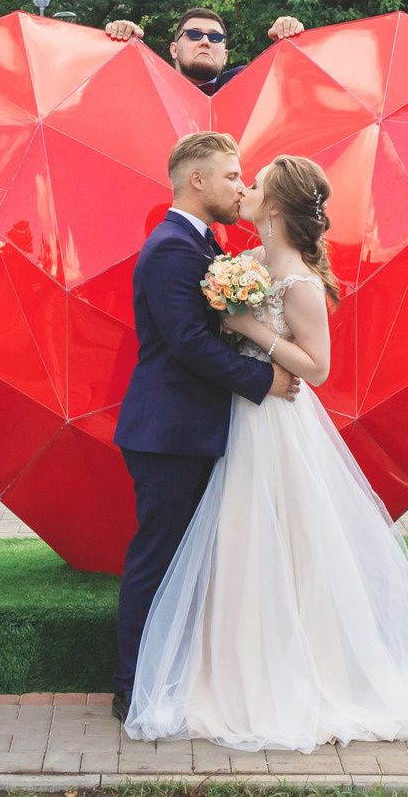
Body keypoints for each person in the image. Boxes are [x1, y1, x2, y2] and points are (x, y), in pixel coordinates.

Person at [125, 154, 408, 749]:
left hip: (276, 425)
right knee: (238, 548)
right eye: (238, 177)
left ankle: (295, 679)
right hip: (236, 417)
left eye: (253, 183)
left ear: (271, 206)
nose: (243, 188)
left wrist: (251, 331)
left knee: (288, 546)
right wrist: (239, 332)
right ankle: (224, 673)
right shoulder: (238, 262)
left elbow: (316, 368)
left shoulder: (297, 279)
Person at [111, 131, 298, 722]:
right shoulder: (171, 248)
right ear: (197, 180)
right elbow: (187, 342)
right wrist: (261, 381)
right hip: (169, 433)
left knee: (186, 561)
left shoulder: (201, 245)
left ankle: (175, 676)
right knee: (158, 561)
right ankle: (133, 686)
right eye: (231, 176)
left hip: (191, 428)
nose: (240, 187)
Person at [103, 7, 306, 95]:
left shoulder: (247, 82)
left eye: (216, 37)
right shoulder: (148, 86)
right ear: (173, 49)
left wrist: (287, 47)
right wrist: (119, 44)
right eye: (193, 34)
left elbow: (296, 83)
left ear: (225, 55)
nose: (206, 41)